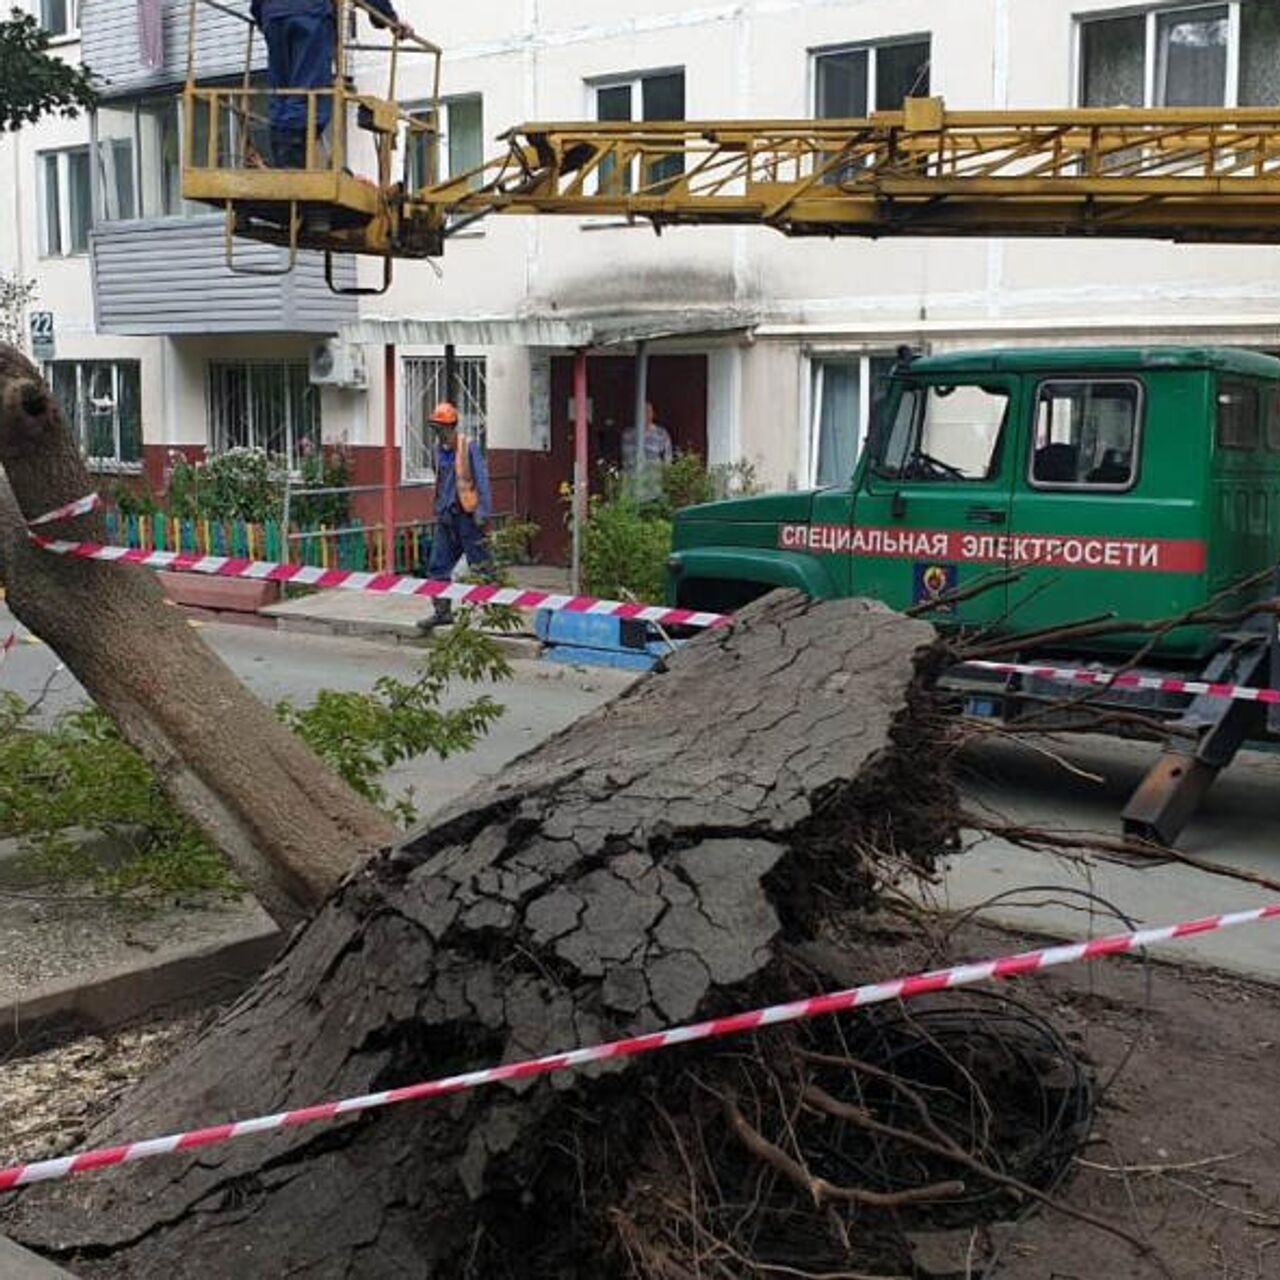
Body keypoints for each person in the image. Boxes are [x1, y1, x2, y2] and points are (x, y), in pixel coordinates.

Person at [250, 0, 412, 170]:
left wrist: (265, 16)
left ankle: (283, 160)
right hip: (309, 12)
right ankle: (292, 164)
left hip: (272, 15)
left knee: (282, 95)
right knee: (309, 96)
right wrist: (388, 18)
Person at [420, 401, 493, 630]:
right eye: (435, 429)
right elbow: (440, 480)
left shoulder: (468, 447)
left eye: (441, 429)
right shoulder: (437, 451)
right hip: (447, 517)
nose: (438, 434)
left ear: (451, 427)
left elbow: (481, 479)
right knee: (437, 567)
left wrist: (483, 512)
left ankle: (498, 612)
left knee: (481, 566)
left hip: (468, 517)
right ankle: (442, 612)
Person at [620, 400, 673, 503]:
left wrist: (665, 474)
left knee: (653, 505)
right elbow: (627, 457)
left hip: (654, 479)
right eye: (643, 412)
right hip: (633, 479)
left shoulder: (661, 433)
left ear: (653, 414)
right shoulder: (629, 434)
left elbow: (668, 457)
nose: (646, 415)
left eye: (649, 411)